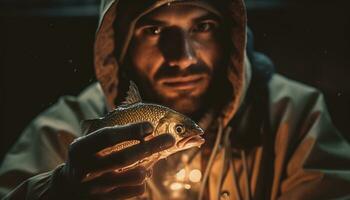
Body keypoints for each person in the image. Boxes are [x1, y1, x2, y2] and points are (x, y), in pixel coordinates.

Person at [1, 0, 350, 199]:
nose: (182, 57)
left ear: (230, 37)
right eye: (153, 30)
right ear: (121, 44)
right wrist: (58, 191)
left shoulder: (296, 118)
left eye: (202, 27)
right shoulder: (63, 131)